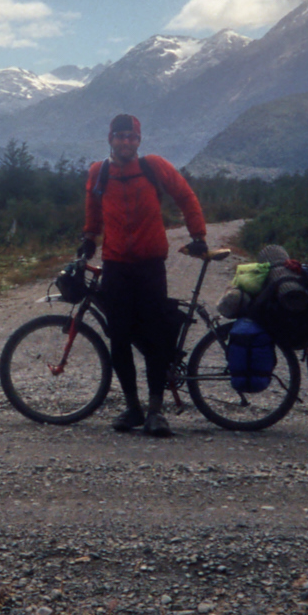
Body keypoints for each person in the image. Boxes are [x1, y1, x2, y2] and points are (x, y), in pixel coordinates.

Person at [78, 113, 207, 437]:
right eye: (121, 136)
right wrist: (89, 239)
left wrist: (199, 234)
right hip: (117, 264)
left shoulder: (153, 166)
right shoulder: (100, 171)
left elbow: (185, 195)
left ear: (139, 141)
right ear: (111, 139)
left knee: (155, 336)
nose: (127, 142)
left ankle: (155, 410)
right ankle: (133, 408)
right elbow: (93, 211)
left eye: (132, 137)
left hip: (150, 263)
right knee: (119, 337)